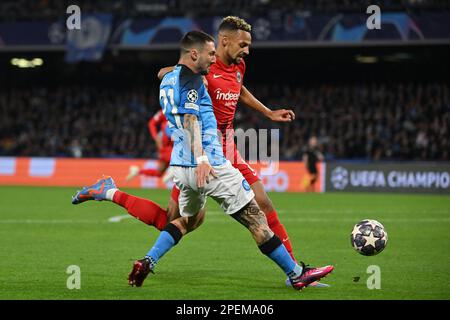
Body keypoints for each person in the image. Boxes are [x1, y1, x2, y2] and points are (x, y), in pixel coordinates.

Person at [72, 30, 333, 290]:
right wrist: (202, 158)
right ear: (195, 54)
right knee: (256, 218)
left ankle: (144, 252)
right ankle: (296, 273)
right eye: (209, 54)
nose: (213, 59)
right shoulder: (196, 81)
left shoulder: (172, 78)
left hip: (181, 165)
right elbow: (191, 119)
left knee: (183, 221)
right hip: (208, 161)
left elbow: (166, 75)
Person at [126, 110, 174, 184]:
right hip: (168, 146)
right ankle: (174, 172)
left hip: (173, 145)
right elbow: (152, 123)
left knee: (159, 173)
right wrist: (156, 137)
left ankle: (138, 171)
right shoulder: (165, 111)